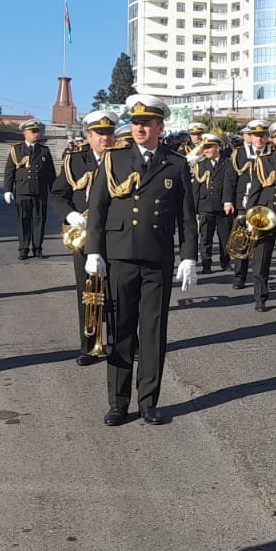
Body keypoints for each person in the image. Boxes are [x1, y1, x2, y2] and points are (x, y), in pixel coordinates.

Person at [84, 96, 198, 426]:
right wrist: (94, 250)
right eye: (136, 122)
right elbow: (99, 208)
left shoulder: (175, 164)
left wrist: (188, 256)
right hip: (119, 256)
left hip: (157, 258)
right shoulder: (115, 159)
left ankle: (148, 401)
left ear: (160, 127)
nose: (139, 127)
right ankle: (118, 402)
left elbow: (186, 217)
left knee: (152, 332)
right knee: (120, 330)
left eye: (146, 123)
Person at [51, 109, 117, 365]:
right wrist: (69, 215)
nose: (105, 138)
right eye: (99, 133)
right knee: (88, 292)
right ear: (88, 136)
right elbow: (58, 194)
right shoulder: (75, 160)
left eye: (109, 133)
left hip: (115, 234)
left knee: (117, 292)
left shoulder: (122, 159)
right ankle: (90, 345)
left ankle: (118, 342)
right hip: (85, 236)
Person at [240, 121, 276, 311]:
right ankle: (260, 297)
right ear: (274, 140)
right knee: (261, 260)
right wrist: (251, 216)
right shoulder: (263, 161)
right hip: (266, 216)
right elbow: (255, 191)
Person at [222, 120, 268, 288]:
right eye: (256, 135)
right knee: (242, 240)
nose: (259, 139)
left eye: (262, 135)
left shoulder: (271, 152)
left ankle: (261, 278)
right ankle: (239, 276)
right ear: (250, 136)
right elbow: (230, 179)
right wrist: (228, 200)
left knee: (261, 244)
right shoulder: (239, 154)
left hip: (264, 205)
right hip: (243, 202)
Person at [3, 118, 57, 260]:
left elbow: (50, 173)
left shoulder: (44, 150)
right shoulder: (17, 150)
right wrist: (8, 189)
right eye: (33, 132)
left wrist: (55, 192)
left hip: (40, 191)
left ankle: (38, 248)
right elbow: (9, 171)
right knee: (23, 220)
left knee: (39, 220)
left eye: (37, 131)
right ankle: (23, 248)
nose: (36, 134)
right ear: (25, 134)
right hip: (23, 190)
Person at [190, 135, 227, 273]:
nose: (206, 150)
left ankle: (225, 261)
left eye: (209, 147)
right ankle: (206, 263)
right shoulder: (200, 165)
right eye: (204, 148)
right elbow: (196, 189)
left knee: (225, 236)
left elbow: (229, 185)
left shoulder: (227, 163)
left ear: (217, 147)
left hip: (222, 206)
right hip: (205, 205)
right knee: (206, 237)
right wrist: (194, 211)